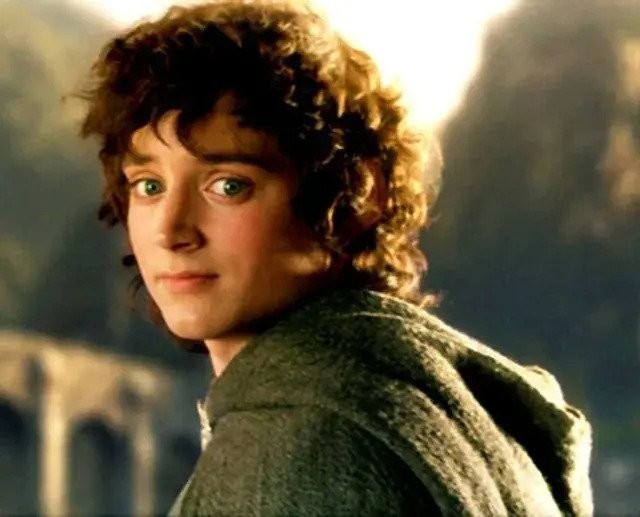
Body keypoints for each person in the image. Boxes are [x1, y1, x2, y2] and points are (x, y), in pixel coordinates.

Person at [78, 1, 594, 515]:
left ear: (360, 196)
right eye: (149, 186)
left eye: (229, 185)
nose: (170, 231)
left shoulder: (296, 447)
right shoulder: (442, 407)